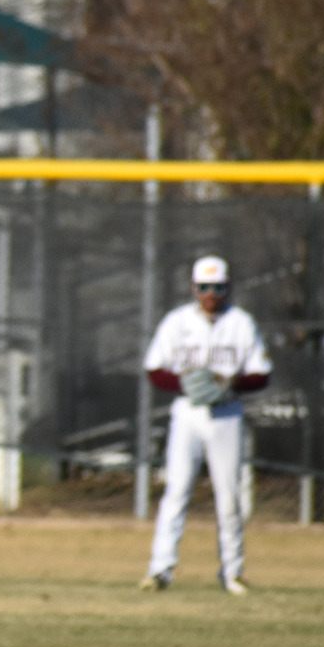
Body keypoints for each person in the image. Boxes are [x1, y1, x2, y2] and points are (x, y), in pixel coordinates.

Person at [138, 255, 270, 595]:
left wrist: (233, 384)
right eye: (204, 287)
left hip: (226, 415)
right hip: (188, 414)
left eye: (218, 288)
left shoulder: (241, 323)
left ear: (228, 288)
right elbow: (155, 369)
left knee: (229, 497)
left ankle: (233, 572)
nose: (210, 294)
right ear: (194, 288)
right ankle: (160, 570)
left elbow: (261, 374)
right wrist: (184, 384)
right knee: (176, 491)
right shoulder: (177, 322)